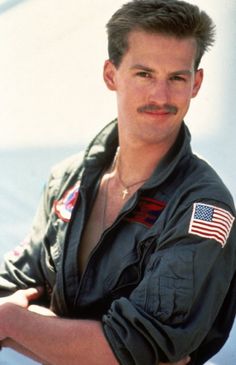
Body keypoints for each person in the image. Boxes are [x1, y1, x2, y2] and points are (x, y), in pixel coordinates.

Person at [0, 0, 235, 364]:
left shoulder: (204, 206)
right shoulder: (67, 179)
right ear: (111, 74)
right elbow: (9, 284)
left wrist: (14, 321)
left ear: (196, 83)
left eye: (177, 77)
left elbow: (134, 347)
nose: (161, 96)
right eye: (144, 74)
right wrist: (18, 320)